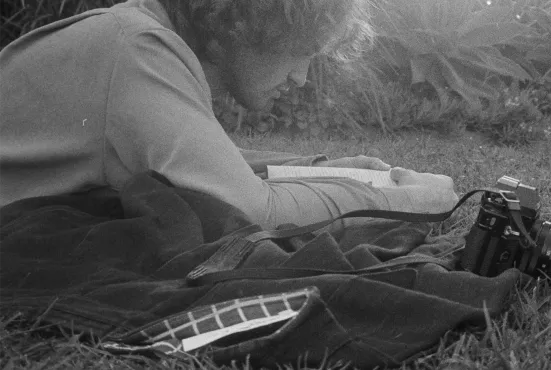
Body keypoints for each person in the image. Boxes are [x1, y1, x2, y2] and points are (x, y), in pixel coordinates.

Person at [0, 0, 458, 231]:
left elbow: (207, 163)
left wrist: (322, 171)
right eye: (300, 51)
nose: (301, 77)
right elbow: (252, 210)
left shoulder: (143, 35)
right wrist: (414, 201)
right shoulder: (137, 49)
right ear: (248, 18)